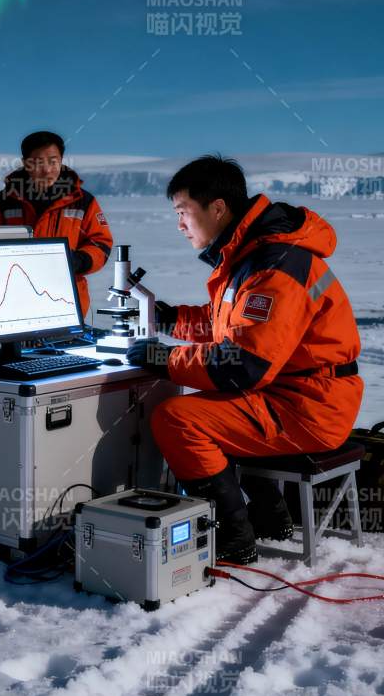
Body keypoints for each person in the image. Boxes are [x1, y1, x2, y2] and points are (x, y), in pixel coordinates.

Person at [127, 155, 363, 564]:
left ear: (217, 207)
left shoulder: (272, 266)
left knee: (176, 418)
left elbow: (241, 366)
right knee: (212, 410)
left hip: (309, 408)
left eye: (184, 212)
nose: (180, 224)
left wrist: (164, 359)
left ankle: (232, 537)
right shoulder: (256, 254)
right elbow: (231, 331)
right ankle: (270, 518)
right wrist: (171, 318)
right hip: (295, 393)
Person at [0, 130, 112, 320]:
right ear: (26, 163)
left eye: (53, 161)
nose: (48, 170)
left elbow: (101, 243)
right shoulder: (4, 201)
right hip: (13, 305)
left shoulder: (82, 201)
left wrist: (80, 260)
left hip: (67, 305)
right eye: (39, 162)